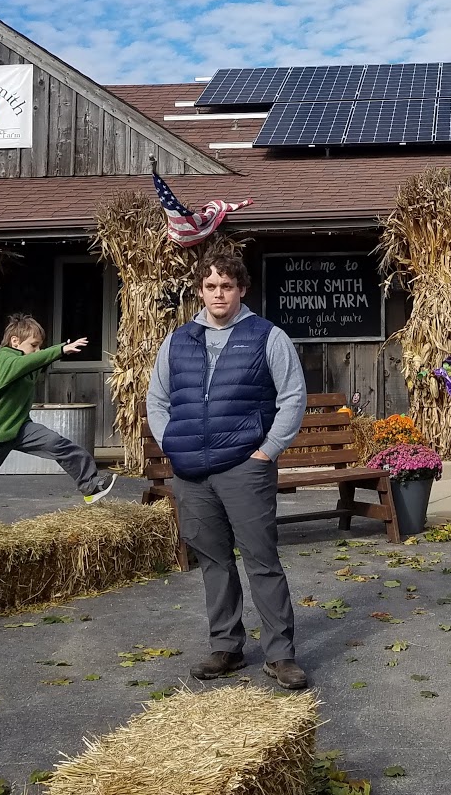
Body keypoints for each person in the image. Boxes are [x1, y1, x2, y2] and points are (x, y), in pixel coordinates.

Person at [146, 254, 309, 690]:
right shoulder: (178, 340)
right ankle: (227, 647)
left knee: (261, 560)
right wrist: (173, 447)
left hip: (244, 466)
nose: (219, 294)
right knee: (214, 561)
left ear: (241, 290)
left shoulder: (267, 336)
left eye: (227, 286)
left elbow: (292, 397)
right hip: (192, 473)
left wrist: (267, 451)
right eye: (211, 286)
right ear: (200, 290)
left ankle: (280, 654)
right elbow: (157, 400)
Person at [0, 313, 115, 530]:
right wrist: (59, 350)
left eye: (39, 347)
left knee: (57, 444)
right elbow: (26, 362)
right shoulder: (2, 360)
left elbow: (33, 362)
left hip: (20, 427)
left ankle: (90, 486)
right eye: (33, 345)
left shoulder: (27, 363)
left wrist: (55, 353)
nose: (37, 350)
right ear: (15, 341)